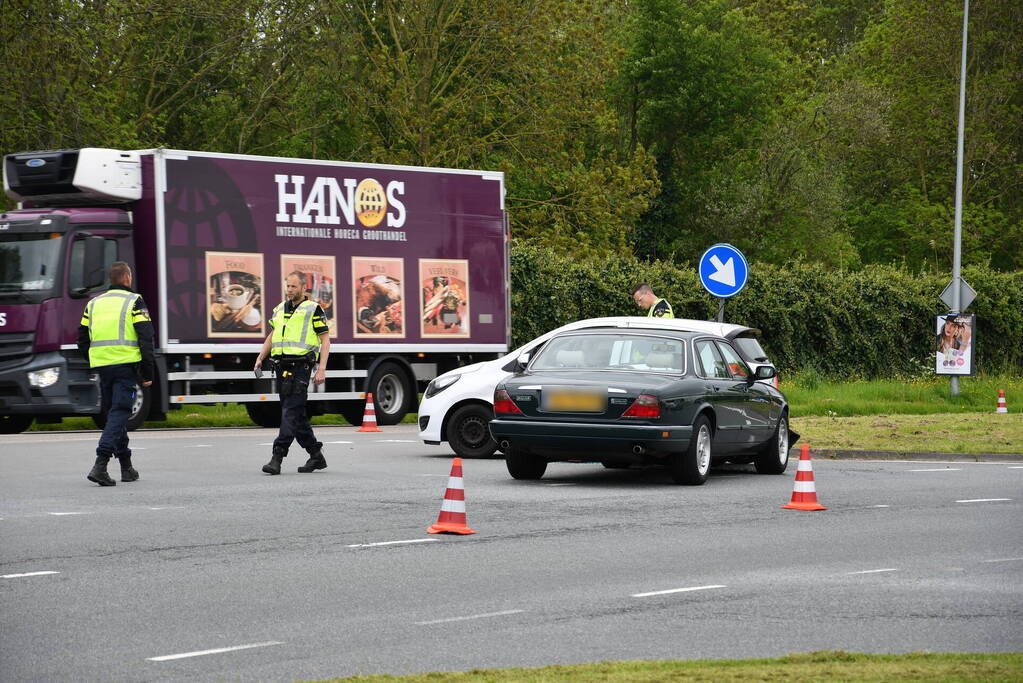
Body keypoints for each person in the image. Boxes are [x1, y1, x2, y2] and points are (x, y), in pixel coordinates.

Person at [78, 262, 154, 486]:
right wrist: (147, 372)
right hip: (125, 366)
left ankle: (126, 467)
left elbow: (82, 338)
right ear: (128, 278)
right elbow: (146, 338)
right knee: (121, 411)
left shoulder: (93, 303)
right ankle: (100, 464)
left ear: (111, 279)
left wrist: (94, 359)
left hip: (103, 366)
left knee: (115, 414)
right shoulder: (134, 301)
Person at [254, 271, 331, 475]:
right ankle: (316, 455)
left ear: (304, 288)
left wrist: (321, 368)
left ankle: (277, 457)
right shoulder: (280, 309)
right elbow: (273, 335)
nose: (289, 290)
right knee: (296, 415)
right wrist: (260, 357)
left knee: (289, 412)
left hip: (300, 368)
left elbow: (325, 340)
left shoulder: (313, 309)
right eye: (287, 286)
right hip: (282, 368)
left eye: (293, 286)